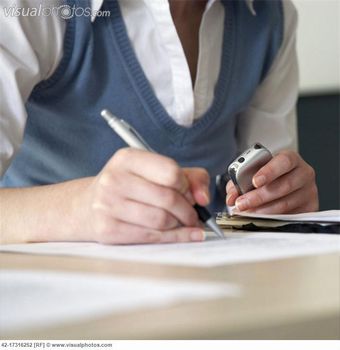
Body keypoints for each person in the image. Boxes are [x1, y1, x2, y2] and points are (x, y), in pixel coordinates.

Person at [0, 0, 318, 245]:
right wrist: (80, 209)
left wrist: (281, 200)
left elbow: (263, 200)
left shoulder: (270, 15)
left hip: (220, 286)